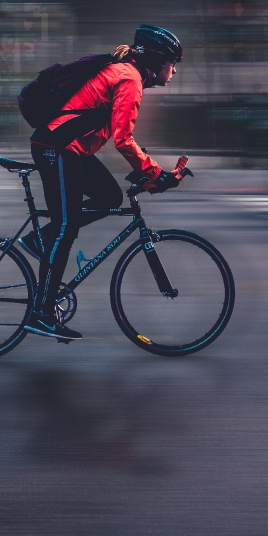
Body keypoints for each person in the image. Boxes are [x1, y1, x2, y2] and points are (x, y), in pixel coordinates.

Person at [21, 23, 184, 341]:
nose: (174, 71)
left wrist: (148, 169)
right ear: (158, 60)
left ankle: (42, 240)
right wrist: (153, 172)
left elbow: (119, 134)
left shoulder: (127, 74)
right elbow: (123, 139)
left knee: (109, 197)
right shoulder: (130, 78)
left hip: (69, 149)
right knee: (66, 228)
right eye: (173, 63)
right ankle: (41, 313)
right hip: (57, 148)